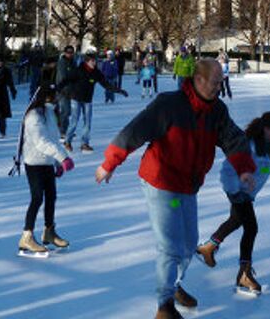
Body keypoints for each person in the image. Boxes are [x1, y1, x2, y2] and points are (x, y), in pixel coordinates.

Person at [95, 59, 256, 319]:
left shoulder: (217, 111)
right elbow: (134, 131)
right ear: (199, 80)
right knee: (170, 246)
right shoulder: (169, 104)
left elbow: (234, 139)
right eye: (215, 82)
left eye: (220, 82)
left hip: (187, 185)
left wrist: (245, 168)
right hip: (161, 183)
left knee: (189, 243)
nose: (219, 87)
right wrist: (110, 162)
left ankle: (173, 285)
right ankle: (164, 305)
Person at [197, 111, 270, 295]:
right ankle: (244, 274)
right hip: (237, 191)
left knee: (236, 220)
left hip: (247, 194)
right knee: (251, 227)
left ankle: (209, 247)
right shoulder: (248, 146)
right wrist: (235, 190)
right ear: (266, 129)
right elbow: (227, 170)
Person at [18, 86, 75, 256]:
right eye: (55, 96)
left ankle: (49, 232)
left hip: (47, 162)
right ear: (46, 97)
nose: (57, 99)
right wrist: (63, 158)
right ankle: (26, 237)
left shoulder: (49, 113)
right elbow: (41, 142)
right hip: (34, 162)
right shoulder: (34, 116)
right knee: (37, 198)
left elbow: (54, 140)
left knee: (51, 196)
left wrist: (57, 162)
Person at [59, 51, 128, 153]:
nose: (94, 63)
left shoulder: (96, 73)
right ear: (86, 61)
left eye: (95, 61)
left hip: (87, 100)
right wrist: (58, 88)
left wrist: (120, 91)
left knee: (87, 123)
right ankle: (67, 142)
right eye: (92, 61)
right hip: (76, 99)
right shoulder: (78, 70)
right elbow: (66, 80)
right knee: (74, 121)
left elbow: (106, 85)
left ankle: (84, 144)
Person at [55, 45, 77, 137]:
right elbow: (63, 77)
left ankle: (65, 129)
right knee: (65, 111)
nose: (70, 54)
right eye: (68, 52)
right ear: (65, 53)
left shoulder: (73, 62)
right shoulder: (62, 62)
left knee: (68, 112)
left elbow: (75, 75)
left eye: (71, 52)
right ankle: (62, 131)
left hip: (70, 90)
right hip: (62, 90)